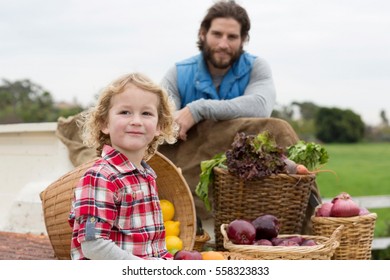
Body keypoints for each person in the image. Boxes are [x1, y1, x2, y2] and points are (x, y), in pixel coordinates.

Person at [68, 72, 178, 260]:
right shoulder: (99, 177)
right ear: (104, 123)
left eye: (146, 113)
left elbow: (153, 248)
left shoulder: (147, 175)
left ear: (159, 125)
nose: (136, 121)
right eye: (125, 112)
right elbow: (93, 245)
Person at [161, 0, 276, 141]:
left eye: (232, 37)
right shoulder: (178, 74)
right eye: (217, 34)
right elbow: (163, 120)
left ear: (243, 39)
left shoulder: (256, 67)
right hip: (187, 159)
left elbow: (260, 107)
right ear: (203, 34)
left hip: (240, 159)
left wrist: (198, 109)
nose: (223, 44)